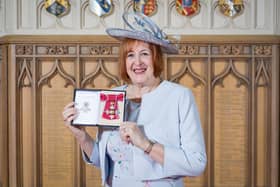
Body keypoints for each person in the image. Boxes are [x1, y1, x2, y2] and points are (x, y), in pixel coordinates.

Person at [62, 12, 207, 187]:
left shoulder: (179, 96)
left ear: (156, 58)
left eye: (144, 54)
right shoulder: (112, 96)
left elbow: (196, 163)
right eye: (130, 55)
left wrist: (146, 145)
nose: (137, 62)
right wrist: (82, 136)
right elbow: (108, 161)